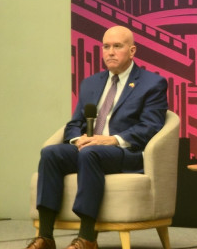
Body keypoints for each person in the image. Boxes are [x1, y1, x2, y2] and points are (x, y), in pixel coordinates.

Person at [27, 26, 169, 249]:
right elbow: (74, 123)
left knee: (91, 153)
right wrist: (78, 140)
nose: (110, 52)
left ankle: (87, 237)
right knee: (51, 153)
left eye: (117, 46)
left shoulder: (152, 84)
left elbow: (150, 127)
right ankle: (45, 237)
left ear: (132, 51)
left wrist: (113, 139)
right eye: (106, 47)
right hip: (90, 149)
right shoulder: (91, 83)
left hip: (125, 152)